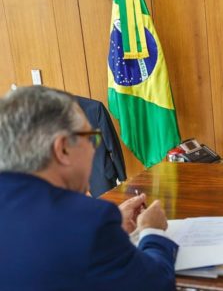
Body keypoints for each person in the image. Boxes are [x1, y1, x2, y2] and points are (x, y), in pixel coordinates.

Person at [0, 86, 178, 290]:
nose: (94, 149)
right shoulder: (89, 221)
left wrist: (111, 231)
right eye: (91, 138)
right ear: (63, 149)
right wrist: (152, 232)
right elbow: (157, 285)